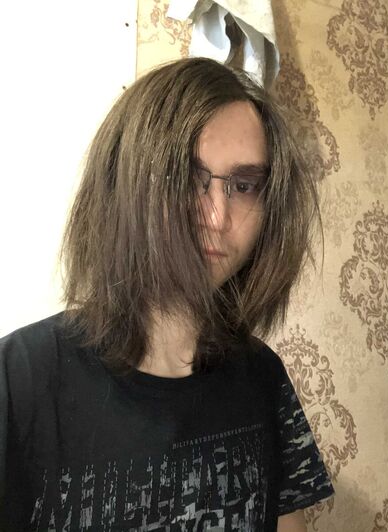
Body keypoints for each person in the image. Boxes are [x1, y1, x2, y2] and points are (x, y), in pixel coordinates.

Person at [0, 57, 334, 531]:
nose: (217, 217)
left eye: (243, 186)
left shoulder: (263, 377)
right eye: (185, 178)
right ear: (122, 186)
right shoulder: (17, 381)